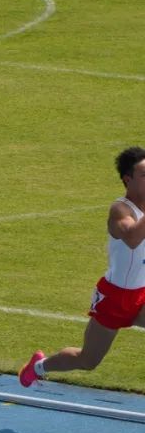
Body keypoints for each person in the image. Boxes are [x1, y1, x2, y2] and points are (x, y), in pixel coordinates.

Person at [20, 147, 145, 386]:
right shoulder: (120, 209)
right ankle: (38, 366)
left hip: (141, 293)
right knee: (88, 360)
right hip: (115, 298)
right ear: (128, 180)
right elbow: (132, 238)